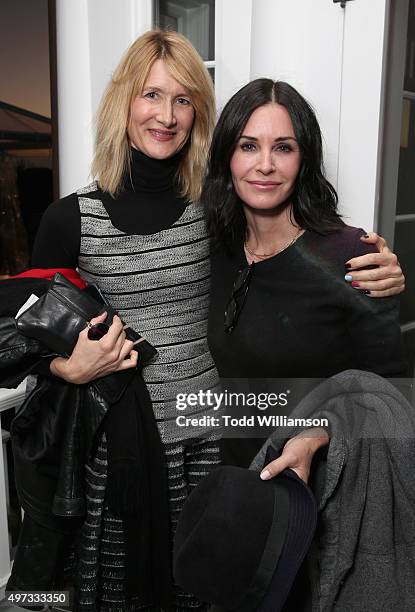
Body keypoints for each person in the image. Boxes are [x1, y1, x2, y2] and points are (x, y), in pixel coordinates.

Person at [7, 31, 404, 611]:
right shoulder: (70, 219)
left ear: (200, 115)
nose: (165, 115)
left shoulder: (213, 212)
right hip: (113, 447)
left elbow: (290, 259)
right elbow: (22, 332)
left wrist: (379, 268)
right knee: (114, 592)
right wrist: (66, 368)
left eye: (183, 99)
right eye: (150, 95)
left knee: (209, 588)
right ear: (125, 101)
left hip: (210, 439)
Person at [202, 78, 408, 609]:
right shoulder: (216, 248)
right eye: (249, 146)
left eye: (283, 147)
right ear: (227, 155)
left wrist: (318, 435)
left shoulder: (351, 257)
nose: (265, 165)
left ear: (305, 158)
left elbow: (392, 396)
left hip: (316, 504)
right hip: (238, 493)